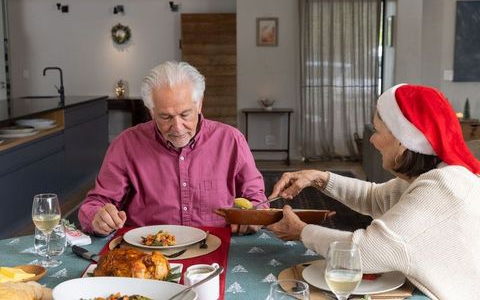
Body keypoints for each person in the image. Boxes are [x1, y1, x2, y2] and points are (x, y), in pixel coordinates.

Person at [267, 84, 480, 300]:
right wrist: (318, 178)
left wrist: (301, 231)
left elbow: (364, 252)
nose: (372, 139)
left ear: (403, 139)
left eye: (377, 131)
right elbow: (374, 198)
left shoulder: (440, 187)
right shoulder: (435, 175)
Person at [78, 61, 266, 236]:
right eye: (166, 117)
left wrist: (254, 217)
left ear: (199, 104)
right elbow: (96, 204)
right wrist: (98, 218)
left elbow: (258, 200)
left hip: (218, 247)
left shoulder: (231, 140)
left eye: (185, 114)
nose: (177, 128)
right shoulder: (126, 144)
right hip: (147, 253)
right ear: (151, 111)